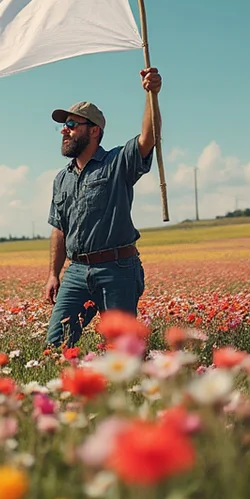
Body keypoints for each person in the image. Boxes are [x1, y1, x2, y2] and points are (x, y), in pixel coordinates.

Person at [43, 66, 162, 348]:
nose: (65, 130)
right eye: (64, 125)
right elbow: (59, 230)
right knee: (56, 346)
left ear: (94, 131)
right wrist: (53, 273)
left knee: (124, 349)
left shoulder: (117, 163)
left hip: (117, 269)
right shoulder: (62, 178)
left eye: (72, 125)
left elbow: (148, 138)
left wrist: (151, 95)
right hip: (76, 272)